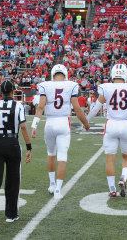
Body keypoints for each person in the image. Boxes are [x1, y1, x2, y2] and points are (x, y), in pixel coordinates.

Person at [86, 64, 127, 197]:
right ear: (126, 74)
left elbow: (96, 108)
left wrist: (86, 121)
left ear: (113, 74)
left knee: (110, 159)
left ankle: (112, 189)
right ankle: (123, 178)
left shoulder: (106, 87)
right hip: (126, 124)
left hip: (111, 124)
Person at [31, 64, 90, 199]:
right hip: (63, 122)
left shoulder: (45, 85)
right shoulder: (71, 85)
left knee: (51, 154)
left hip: (49, 123)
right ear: (65, 74)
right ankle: (57, 189)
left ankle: (51, 184)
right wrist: (85, 123)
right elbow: (77, 108)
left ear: (52, 74)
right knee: (62, 157)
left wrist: (34, 126)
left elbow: (40, 107)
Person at [0, 80, 32, 232]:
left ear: (1, 91)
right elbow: (23, 127)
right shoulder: (18, 106)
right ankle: (11, 214)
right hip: (12, 144)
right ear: (12, 92)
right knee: (13, 180)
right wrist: (29, 146)